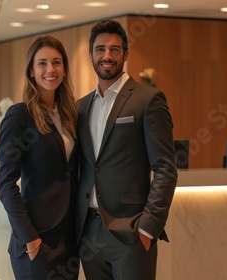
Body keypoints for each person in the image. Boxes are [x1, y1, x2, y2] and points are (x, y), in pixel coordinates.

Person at [75, 19, 178, 280]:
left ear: (126, 54)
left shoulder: (148, 100)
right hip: (88, 233)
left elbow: (165, 168)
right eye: (100, 49)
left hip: (130, 234)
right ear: (90, 55)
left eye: (114, 49)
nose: (106, 56)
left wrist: (147, 228)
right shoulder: (81, 107)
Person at [0, 35, 80, 280]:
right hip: (37, 239)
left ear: (64, 69)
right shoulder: (19, 115)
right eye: (42, 63)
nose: (50, 70)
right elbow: (5, 183)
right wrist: (30, 239)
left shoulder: (70, 114)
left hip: (69, 238)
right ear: (31, 71)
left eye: (56, 62)